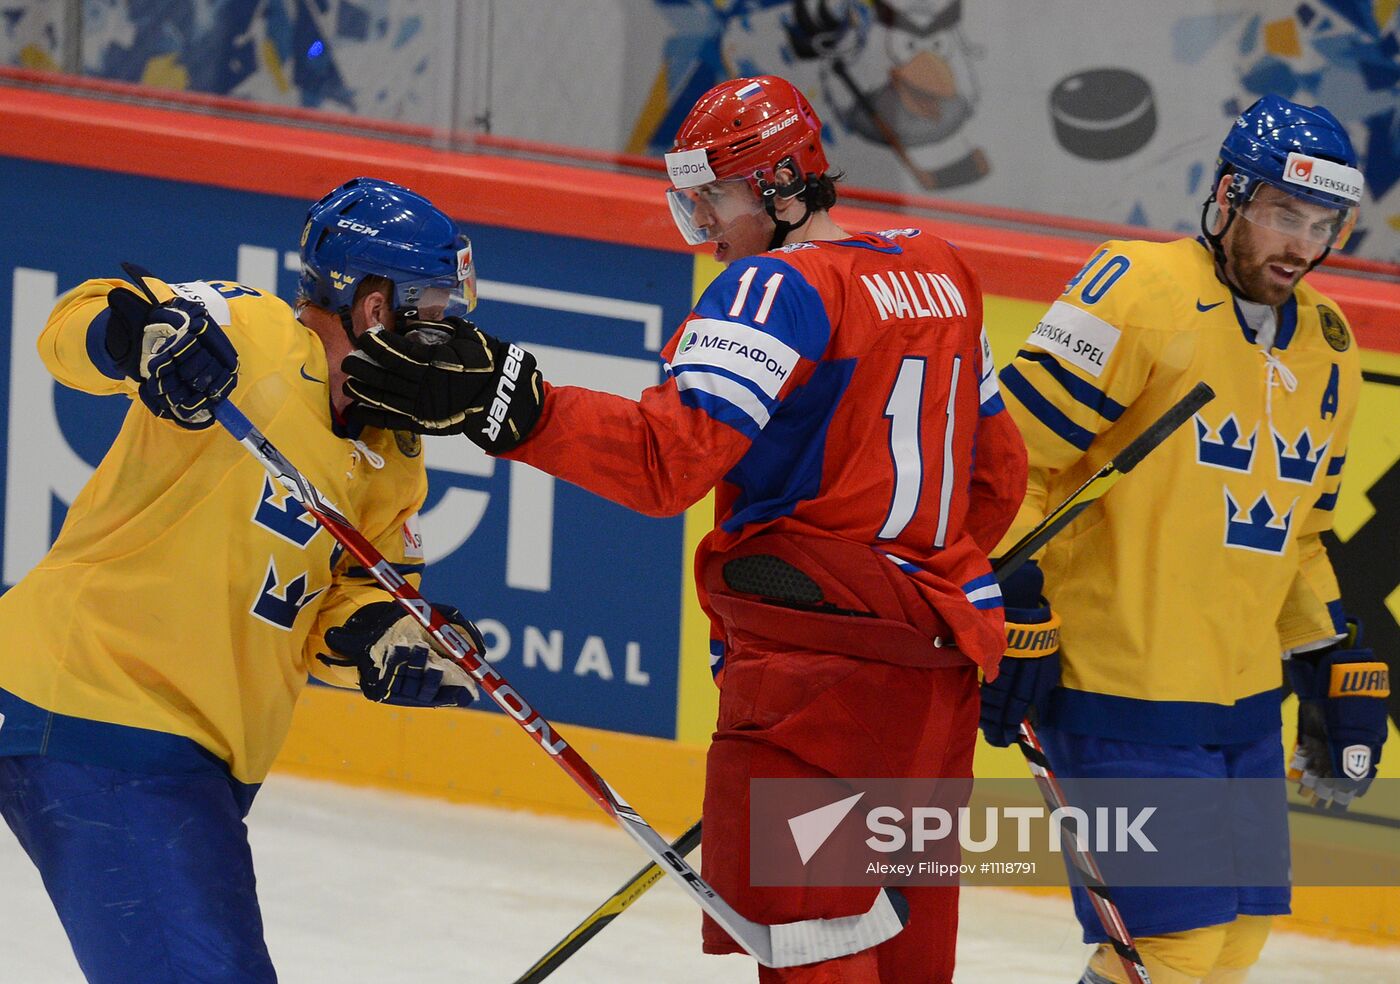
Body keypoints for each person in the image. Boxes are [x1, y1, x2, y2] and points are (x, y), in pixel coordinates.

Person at [339, 75, 1027, 983]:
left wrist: (522, 406)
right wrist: (917, 589)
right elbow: (997, 478)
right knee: (905, 954)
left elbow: (669, 464)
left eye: (718, 199)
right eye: (690, 203)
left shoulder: (773, 290)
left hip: (813, 692)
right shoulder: (940, 266)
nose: (706, 231)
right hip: (935, 685)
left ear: (785, 185)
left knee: (815, 956)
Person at [0, 177, 487, 983]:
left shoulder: (393, 452)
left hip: (194, 758)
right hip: (96, 707)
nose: (445, 331)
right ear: (372, 306)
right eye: (431, 307)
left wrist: (390, 640)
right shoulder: (249, 330)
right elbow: (77, 319)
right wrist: (140, 339)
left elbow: (345, 598)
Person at [979, 95, 1390, 984]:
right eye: (1284, 212)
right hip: (1116, 684)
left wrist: (1330, 653)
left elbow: (1302, 533)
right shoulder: (1137, 288)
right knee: (1170, 947)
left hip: (1242, 699)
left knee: (1233, 941)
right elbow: (1005, 459)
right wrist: (1014, 598)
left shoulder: (1329, 342)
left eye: (1322, 224)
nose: (1301, 244)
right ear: (1231, 195)